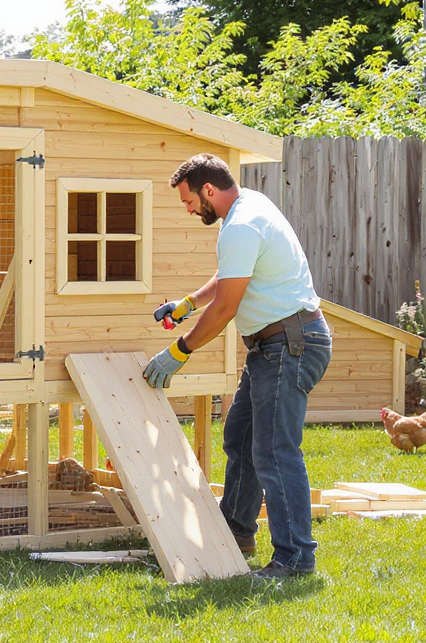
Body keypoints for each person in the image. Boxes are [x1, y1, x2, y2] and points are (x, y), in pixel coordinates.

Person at [142, 153, 332, 579]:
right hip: (277, 344)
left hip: (289, 343)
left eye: (189, 201)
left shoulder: (242, 224)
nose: (188, 210)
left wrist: (178, 352)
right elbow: (230, 277)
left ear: (208, 190)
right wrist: (188, 303)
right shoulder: (245, 210)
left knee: (275, 451)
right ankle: (236, 533)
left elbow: (228, 306)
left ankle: (296, 559)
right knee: (242, 436)